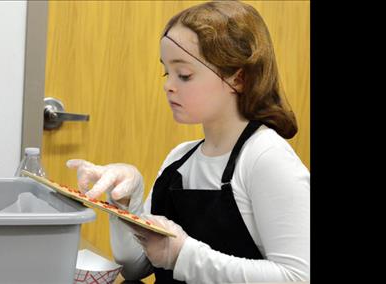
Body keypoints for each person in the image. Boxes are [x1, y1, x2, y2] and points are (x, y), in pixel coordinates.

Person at [66, 1, 310, 283]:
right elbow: (137, 268)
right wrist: (125, 206)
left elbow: (298, 277)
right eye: (166, 72)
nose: (168, 85)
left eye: (184, 75)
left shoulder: (266, 157)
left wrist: (182, 255)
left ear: (239, 78)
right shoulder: (179, 160)